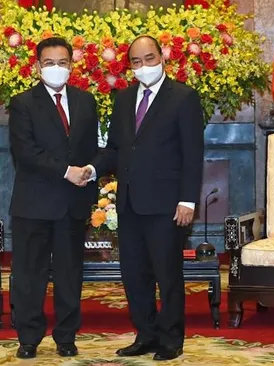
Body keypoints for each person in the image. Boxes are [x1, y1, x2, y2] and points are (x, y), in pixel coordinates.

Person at [91, 35, 205, 361]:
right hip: (129, 203)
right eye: (136, 62)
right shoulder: (124, 99)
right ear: (130, 67)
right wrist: (90, 168)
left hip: (168, 205)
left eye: (149, 58)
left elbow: (192, 154)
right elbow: (115, 148)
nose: (144, 67)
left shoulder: (183, 97)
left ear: (163, 58)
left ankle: (171, 340)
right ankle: (146, 334)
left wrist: (188, 200)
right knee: (134, 274)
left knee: (167, 275)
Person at [8, 37, 99, 359]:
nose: (56, 69)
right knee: (29, 275)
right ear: (37, 67)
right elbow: (25, 152)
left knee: (69, 274)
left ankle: (66, 337)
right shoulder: (23, 103)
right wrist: (65, 172)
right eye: (49, 63)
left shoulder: (86, 101)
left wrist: (89, 169)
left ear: (71, 66)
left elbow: (92, 149)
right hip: (34, 204)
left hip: (73, 205)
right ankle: (28, 337)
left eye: (62, 63)